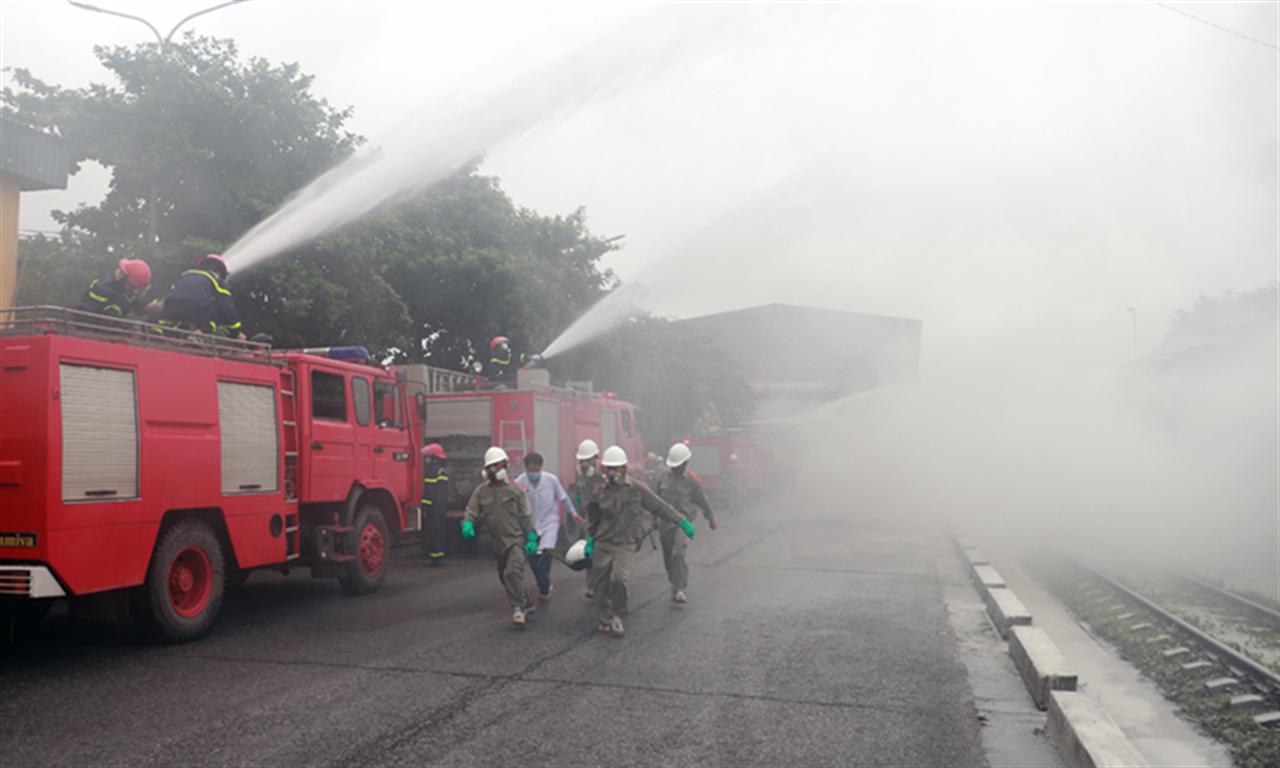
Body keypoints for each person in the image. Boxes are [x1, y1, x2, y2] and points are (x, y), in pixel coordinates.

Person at [585, 445, 695, 638]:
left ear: (624, 468)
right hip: (603, 542)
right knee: (600, 584)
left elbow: (660, 507)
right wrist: (589, 539)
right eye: (609, 468)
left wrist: (682, 521)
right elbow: (593, 517)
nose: (613, 472)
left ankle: (618, 615)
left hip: (626, 542)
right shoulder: (600, 491)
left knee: (618, 578)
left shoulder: (636, 489)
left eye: (616, 467)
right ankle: (604, 618)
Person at [460, 447, 539, 626]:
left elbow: (526, 515)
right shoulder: (481, 491)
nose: (495, 470)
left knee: (512, 572)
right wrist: (467, 523)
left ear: (505, 465)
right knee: (505, 576)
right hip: (498, 543)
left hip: (515, 540)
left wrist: (532, 537)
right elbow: (471, 509)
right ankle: (525, 602)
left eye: (498, 466)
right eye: (491, 467)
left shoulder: (516, 490)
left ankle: (518, 609)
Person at [514, 451, 582, 601]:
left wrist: (574, 514)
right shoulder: (519, 482)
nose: (533, 473)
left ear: (541, 467)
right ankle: (544, 582)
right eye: (530, 470)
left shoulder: (551, 480)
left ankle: (544, 585)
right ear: (525, 469)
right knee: (532, 556)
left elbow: (564, 499)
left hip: (549, 521)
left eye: (536, 470)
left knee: (544, 552)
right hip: (530, 524)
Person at [655, 442, 717, 604]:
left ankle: (680, 587)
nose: (677, 469)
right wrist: (654, 519)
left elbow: (702, 500)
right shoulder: (661, 479)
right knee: (669, 557)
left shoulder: (692, 482)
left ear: (685, 464)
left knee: (678, 554)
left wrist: (710, 517)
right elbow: (654, 500)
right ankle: (674, 582)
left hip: (682, 523)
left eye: (680, 466)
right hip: (665, 523)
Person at [158, 253, 245, 339]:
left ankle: (162, 332)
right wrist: (237, 332)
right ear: (220, 271)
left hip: (172, 309)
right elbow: (227, 308)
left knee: (171, 307)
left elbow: (171, 293)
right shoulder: (216, 279)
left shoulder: (185, 274)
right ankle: (198, 334)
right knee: (218, 309)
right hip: (196, 309)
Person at [567, 438, 603, 599]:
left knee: (604, 552)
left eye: (587, 460)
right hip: (588, 519)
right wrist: (578, 510)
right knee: (589, 551)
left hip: (602, 518)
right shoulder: (579, 474)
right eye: (582, 460)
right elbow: (578, 495)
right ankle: (591, 586)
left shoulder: (602, 476)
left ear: (595, 459)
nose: (584, 464)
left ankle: (609, 584)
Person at [79, 258, 154, 318]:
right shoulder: (104, 289)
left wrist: (155, 308)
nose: (135, 292)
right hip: (86, 326)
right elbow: (91, 316)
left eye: (139, 290)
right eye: (134, 288)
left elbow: (139, 305)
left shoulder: (125, 289)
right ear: (125, 277)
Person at [420, 443, 451, 566]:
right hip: (435, 507)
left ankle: (436, 557)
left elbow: (436, 492)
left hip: (435, 508)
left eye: (428, 457)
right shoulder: (436, 471)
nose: (426, 459)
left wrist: (428, 505)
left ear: (434, 458)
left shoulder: (437, 472)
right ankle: (436, 555)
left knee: (435, 531)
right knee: (435, 531)